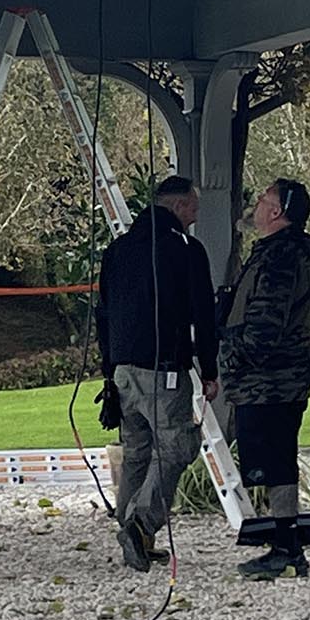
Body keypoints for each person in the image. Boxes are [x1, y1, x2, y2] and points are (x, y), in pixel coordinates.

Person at [96, 175, 219, 571]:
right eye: (193, 208)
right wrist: (210, 370)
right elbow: (204, 315)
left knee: (136, 452)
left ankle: (132, 535)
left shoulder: (117, 249)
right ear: (178, 206)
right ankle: (140, 524)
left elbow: (103, 314)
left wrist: (108, 372)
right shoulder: (185, 250)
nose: (195, 216)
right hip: (162, 370)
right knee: (176, 448)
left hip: (122, 372)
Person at [220, 178, 310, 581]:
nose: (257, 204)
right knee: (277, 460)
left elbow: (265, 325)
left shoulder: (280, 259)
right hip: (271, 378)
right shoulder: (276, 253)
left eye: (264, 199)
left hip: (271, 380)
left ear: (277, 212)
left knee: (275, 460)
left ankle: (286, 549)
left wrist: (232, 349)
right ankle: (286, 545)